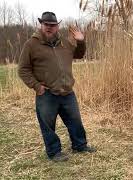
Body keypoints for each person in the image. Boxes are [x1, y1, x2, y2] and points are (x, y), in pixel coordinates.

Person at [18, 12, 96, 162]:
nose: (49, 28)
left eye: (52, 25)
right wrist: (36, 86)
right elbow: (23, 69)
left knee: (75, 121)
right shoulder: (31, 45)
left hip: (67, 92)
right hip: (47, 94)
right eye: (46, 24)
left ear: (57, 26)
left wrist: (80, 42)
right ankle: (54, 152)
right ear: (41, 25)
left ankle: (80, 146)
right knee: (48, 125)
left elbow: (79, 55)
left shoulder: (64, 43)